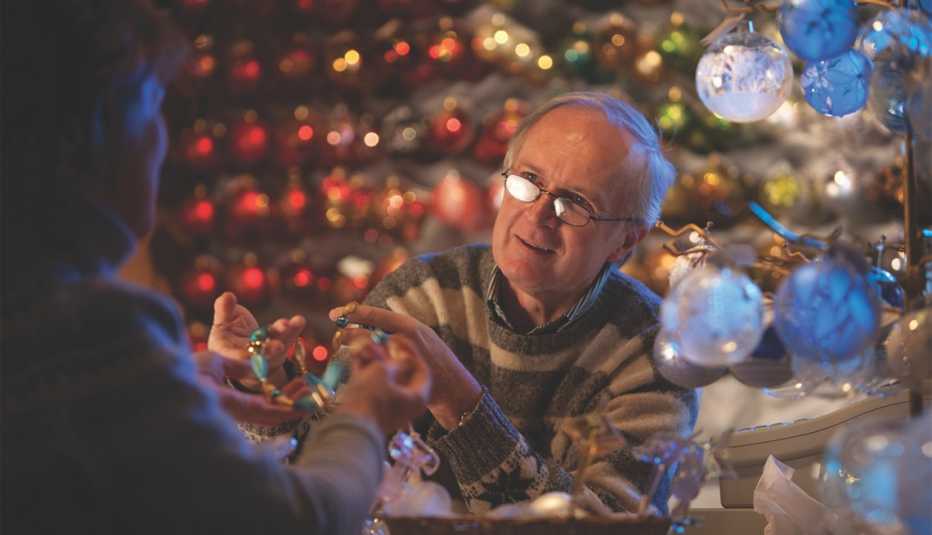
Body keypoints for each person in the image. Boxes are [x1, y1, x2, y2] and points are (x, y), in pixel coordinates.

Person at [0, 2, 430, 535]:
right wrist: (362, 415)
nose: (164, 140)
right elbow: (294, 521)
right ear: (92, 136)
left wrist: (177, 380)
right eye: (153, 107)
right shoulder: (86, 328)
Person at [217, 93, 699, 514]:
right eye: (528, 179)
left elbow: (609, 526)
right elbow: (326, 476)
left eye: (575, 202)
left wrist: (462, 404)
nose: (537, 215)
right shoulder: (422, 294)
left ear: (624, 242)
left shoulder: (655, 353)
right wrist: (259, 382)